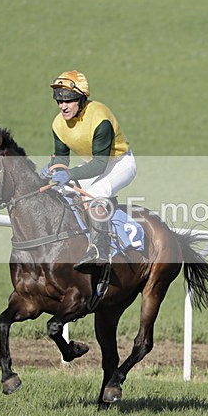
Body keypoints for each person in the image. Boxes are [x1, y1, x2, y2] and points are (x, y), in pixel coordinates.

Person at [41, 70, 137, 272]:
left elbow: (100, 165)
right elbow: (61, 158)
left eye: (68, 101)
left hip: (119, 163)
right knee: (61, 193)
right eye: (59, 101)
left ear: (81, 99)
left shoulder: (100, 117)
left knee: (96, 193)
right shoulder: (58, 124)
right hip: (93, 164)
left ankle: (99, 250)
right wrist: (53, 168)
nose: (63, 106)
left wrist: (68, 174)